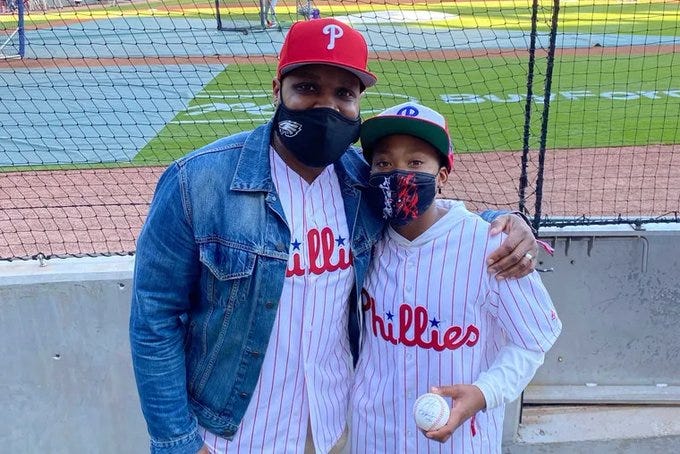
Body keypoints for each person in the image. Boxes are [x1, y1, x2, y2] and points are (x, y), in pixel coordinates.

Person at [129, 18, 540, 454]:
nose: (326, 106)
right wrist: (178, 441)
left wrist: (503, 222)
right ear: (277, 90)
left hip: (329, 428)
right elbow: (154, 317)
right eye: (307, 87)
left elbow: (424, 211)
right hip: (230, 436)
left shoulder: (362, 184)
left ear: (358, 103)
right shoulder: (198, 181)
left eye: (344, 94)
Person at [349, 102, 562, 453]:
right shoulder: (363, 239)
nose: (398, 173)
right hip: (373, 436)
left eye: (415, 163)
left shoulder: (490, 245)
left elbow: (534, 338)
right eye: (384, 163)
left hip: (460, 442)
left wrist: (484, 392)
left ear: (442, 176)